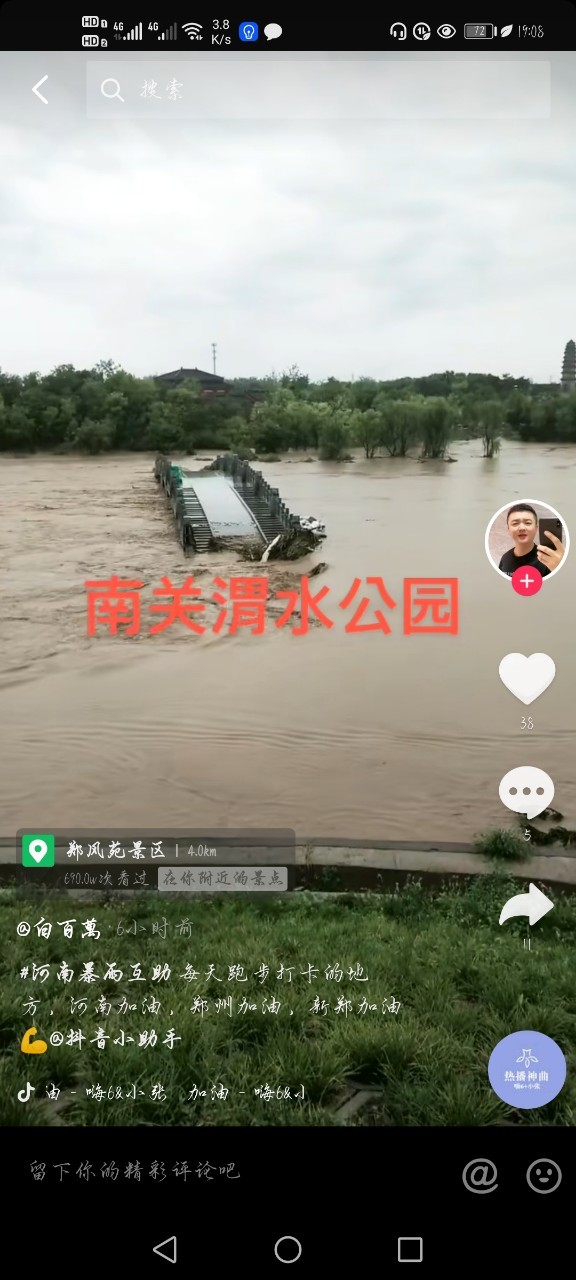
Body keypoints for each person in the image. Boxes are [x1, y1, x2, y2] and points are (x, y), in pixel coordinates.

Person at [497, 504, 565, 577]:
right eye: (515, 523)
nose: (522, 528)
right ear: (508, 529)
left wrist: (560, 568)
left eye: (528, 523)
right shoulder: (505, 558)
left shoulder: (548, 559)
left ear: (536, 528)